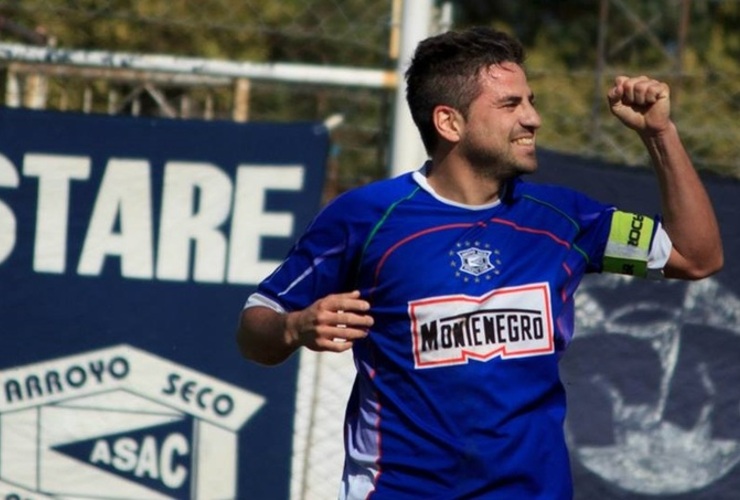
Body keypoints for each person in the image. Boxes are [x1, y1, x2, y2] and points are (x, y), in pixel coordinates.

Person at [236, 26, 723, 499]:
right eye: (511, 104)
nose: (532, 118)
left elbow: (695, 257)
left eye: (530, 101)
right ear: (449, 122)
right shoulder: (364, 217)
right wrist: (293, 328)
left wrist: (660, 134)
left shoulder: (566, 219)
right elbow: (255, 326)